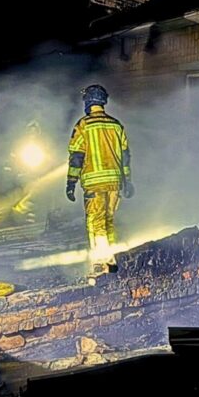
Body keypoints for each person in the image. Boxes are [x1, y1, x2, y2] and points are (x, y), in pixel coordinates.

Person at [66, 84, 133, 276]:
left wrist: (71, 182)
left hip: (94, 184)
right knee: (109, 221)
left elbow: (77, 157)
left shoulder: (83, 125)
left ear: (88, 102)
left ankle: (100, 263)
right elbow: (125, 156)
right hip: (114, 183)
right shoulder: (116, 124)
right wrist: (127, 181)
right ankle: (111, 261)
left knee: (95, 223)